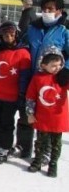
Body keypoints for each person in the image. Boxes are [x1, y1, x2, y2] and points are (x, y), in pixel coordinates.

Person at [17, 0, 69, 158]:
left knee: (48, 117)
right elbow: (22, 45)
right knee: (26, 113)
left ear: (59, 10)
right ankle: (23, 146)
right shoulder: (33, 27)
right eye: (44, 8)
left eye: (51, 9)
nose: (47, 11)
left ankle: (45, 151)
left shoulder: (64, 30)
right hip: (32, 78)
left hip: (53, 82)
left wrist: (66, 69)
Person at [0, 21, 32, 164]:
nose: (9, 38)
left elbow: (24, 77)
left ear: (16, 34)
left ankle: (5, 146)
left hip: (10, 97)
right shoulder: (0, 51)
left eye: (11, 35)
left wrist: (22, 94)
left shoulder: (23, 54)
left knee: (6, 123)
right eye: (5, 35)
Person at [25, 47, 69, 177]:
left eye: (59, 64)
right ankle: (38, 160)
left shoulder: (62, 78)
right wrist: (30, 113)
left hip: (58, 117)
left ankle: (53, 163)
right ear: (43, 65)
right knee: (40, 141)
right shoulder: (38, 78)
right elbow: (30, 97)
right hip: (42, 117)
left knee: (56, 143)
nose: (57, 68)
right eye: (53, 65)